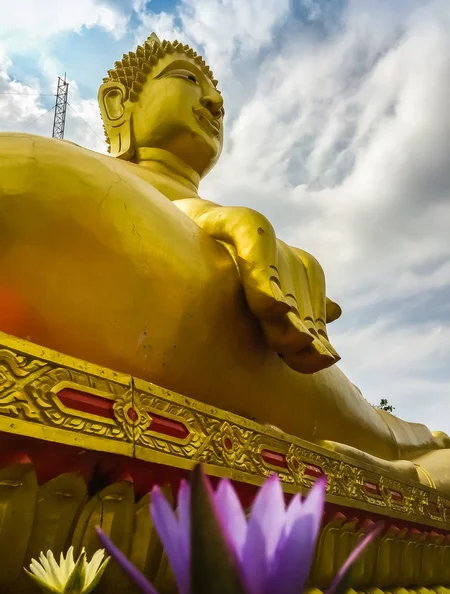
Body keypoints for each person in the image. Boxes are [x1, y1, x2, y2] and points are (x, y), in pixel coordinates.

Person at [0, 34, 448, 492]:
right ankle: (414, 454)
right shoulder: (86, 176)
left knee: (384, 427)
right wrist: (207, 221)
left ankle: (415, 448)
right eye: (188, 79)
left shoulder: (206, 218)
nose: (214, 102)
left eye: (218, 98)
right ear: (118, 102)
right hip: (87, 278)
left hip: (227, 353)